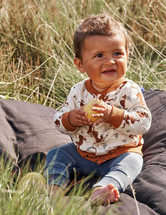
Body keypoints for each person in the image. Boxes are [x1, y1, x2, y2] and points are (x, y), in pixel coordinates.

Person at [43, 13, 151, 205]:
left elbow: (144, 121)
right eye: (99, 55)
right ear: (80, 64)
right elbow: (59, 121)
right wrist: (71, 119)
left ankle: (104, 189)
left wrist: (113, 114)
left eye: (117, 53)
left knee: (133, 163)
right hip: (83, 153)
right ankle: (55, 190)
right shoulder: (78, 91)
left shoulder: (129, 90)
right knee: (56, 154)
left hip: (120, 152)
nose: (110, 61)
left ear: (127, 56)